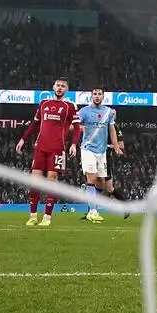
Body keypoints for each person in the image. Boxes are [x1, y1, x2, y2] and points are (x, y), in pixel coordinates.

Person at [15, 77, 79, 227]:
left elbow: (76, 127)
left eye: (63, 86)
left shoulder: (69, 106)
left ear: (66, 90)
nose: (60, 88)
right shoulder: (44, 103)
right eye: (58, 85)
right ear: (53, 87)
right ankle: (32, 216)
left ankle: (47, 218)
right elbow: (35, 124)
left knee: (52, 182)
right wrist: (23, 139)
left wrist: (74, 144)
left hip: (57, 149)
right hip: (40, 147)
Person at [75, 88, 119, 223]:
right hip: (88, 149)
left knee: (100, 181)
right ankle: (92, 211)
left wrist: (116, 145)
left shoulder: (108, 112)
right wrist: (80, 128)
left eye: (100, 94)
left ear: (103, 96)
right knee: (91, 178)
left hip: (102, 151)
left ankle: (93, 210)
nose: (97, 96)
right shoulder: (84, 111)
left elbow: (111, 129)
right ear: (91, 96)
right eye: (95, 94)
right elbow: (74, 126)